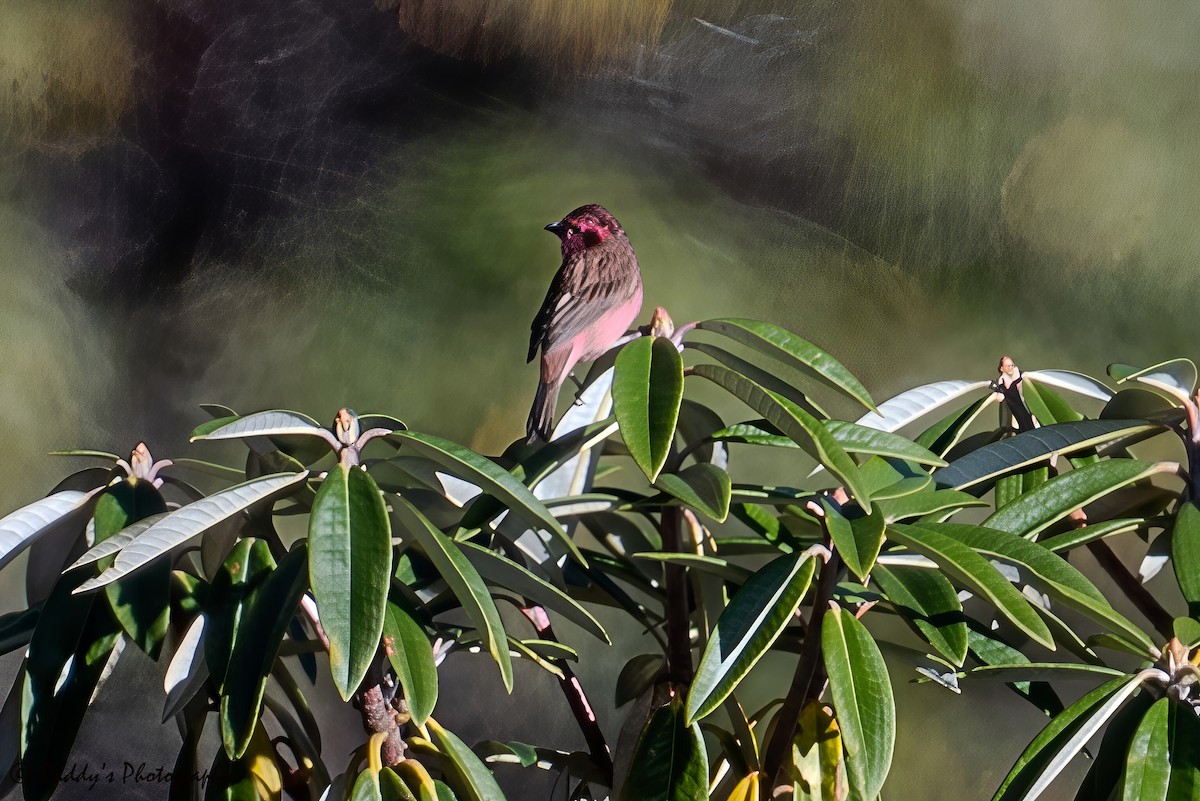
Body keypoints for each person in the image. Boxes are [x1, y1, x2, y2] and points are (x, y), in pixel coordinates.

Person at [990, 356, 1035, 432]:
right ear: (1001, 368)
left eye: (1012, 365)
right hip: (1015, 424)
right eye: (1007, 366)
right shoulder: (999, 384)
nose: (1010, 367)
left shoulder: (1022, 377)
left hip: (1029, 417)